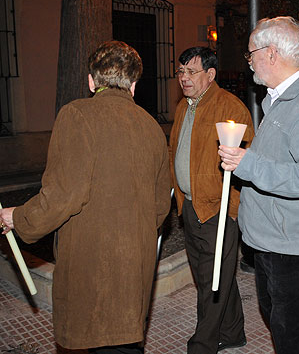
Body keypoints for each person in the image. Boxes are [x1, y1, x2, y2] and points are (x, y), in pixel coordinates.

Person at [0, 41, 171, 353]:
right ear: (133, 86)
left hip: (93, 264)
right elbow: (161, 207)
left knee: (97, 339)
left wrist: (19, 217)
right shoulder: (152, 127)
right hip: (135, 263)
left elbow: (64, 194)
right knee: (124, 342)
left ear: (92, 81)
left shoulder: (77, 114)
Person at [218, 16, 299, 354]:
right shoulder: (279, 99)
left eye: (251, 54)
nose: (250, 63)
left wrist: (251, 164)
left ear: (271, 53)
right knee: (291, 329)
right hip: (273, 240)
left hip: (294, 246)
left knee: (294, 338)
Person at [169, 46, 254, 354]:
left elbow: (246, 163)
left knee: (210, 281)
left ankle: (202, 345)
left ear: (210, 74)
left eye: (191, 72)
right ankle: (232, 333)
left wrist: (231, 211)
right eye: (180, 72)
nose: (184, 78)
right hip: (190, 206)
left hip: (217, 210)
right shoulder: (184, 107)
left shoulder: (229, 108)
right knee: (214, 274)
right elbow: (175, 152)